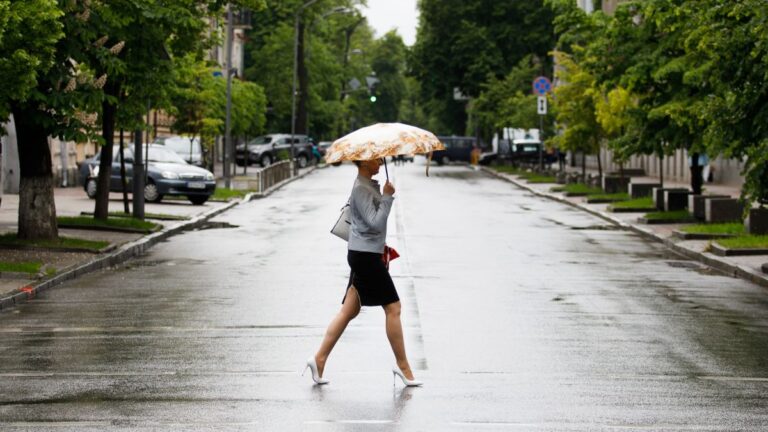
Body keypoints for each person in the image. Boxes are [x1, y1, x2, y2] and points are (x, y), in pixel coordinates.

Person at [304, 158, 423, 387]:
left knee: (348, 311)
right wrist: (387, 196)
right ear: (365, 162)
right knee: (394, 308)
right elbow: (375, 223)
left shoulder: (367, 185)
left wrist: (382, 193)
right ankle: (403, 366)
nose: (380, 161)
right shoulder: (361, 187)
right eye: (376, 158)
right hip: (366, 258)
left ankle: (318, 359)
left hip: (363, 254)